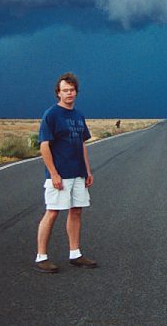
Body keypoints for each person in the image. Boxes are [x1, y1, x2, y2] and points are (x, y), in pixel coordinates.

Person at [34, 72, 98, 273]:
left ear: (76, 92)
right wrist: (53, 173)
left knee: (76, 211)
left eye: (72, 90)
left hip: (78, 173)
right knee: (52, 212)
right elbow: (44, 146)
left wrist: (87, 170)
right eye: (65, 90)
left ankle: (75, 253)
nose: (69, 93)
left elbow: (82, 144)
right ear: (58, 93)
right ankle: (41, 256)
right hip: (60, 174)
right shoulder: (51, 115)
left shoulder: (78, 116)